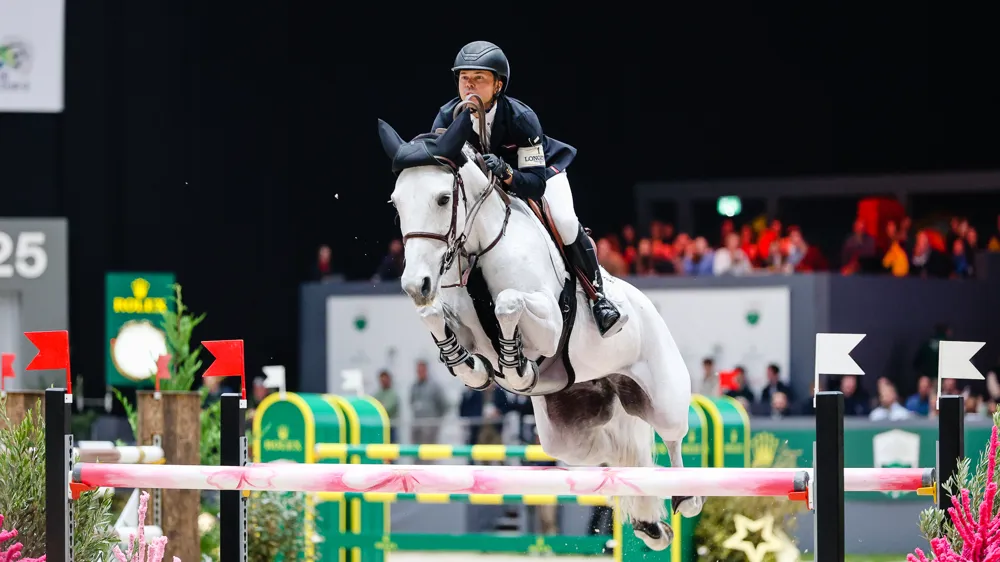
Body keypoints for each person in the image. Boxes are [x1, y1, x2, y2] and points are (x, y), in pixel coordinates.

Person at [431, 40, 627, 338]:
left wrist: (507, 172)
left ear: (498, 86)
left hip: (537, 173)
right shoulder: (446, 117)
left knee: (563, 220)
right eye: (464, 78)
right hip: (482, 187)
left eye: (479, 78)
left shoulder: (521, 119)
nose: (469, 85)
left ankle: (599, 298)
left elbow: (534, 186)